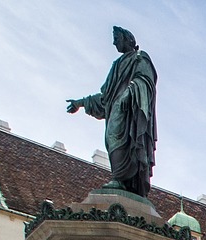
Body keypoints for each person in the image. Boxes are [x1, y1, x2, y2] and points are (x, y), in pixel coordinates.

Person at [67, 26, 158, 197]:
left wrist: (130, 93)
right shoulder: (116, 65)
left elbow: (145, 81)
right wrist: (80, 103)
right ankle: (120, 179)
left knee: (120, 138)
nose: (114, 42)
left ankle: (120, 179)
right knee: (112, 138)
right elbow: (105, 96)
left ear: (128, 39)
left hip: (131, 110)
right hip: (115, 108)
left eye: (117, 38)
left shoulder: (140, 58)